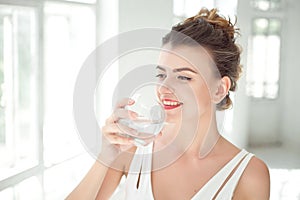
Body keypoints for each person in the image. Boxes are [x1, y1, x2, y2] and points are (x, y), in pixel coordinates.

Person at [67, 8, 270, 200]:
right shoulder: (132, 151)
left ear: (219, 89)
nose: (165, 87)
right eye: (161, 74)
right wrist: (105, 156)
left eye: (183, 77)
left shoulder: (248, 175)